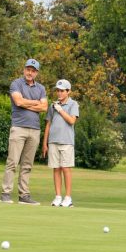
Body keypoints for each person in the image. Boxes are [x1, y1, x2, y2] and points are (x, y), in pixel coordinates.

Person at [2, 58, 48, 205]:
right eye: (28, 69)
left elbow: (44, 107)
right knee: (12, 162)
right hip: (18, 128)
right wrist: (35, 102)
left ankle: (24, 196)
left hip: (34, 130)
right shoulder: (16, 84)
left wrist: (26, 102)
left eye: (33, 71)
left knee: (27, 165)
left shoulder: (41, 88)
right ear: (24, 70)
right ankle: (6, 194)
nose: (30, 73)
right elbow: (18, 101)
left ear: (36, 73)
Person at [43, 79, 80, 207]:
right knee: (56, 169)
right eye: (58, 90)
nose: (59, 93)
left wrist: (60, 110)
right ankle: (58, 196)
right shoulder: (52, 106)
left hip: (66, 141)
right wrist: (45, 143)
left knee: (66, 168)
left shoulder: (73, 104)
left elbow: (72, 121)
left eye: (62, 91)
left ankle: (68, 198)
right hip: (53, 141)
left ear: (68, 91)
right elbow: (48, 124)